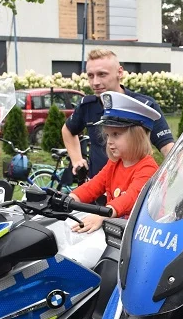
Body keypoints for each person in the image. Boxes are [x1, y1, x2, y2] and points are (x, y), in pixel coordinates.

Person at [62, 49, 174, 180]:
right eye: (90, 76)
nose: (95, 82)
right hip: (97, 190)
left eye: (102, 74)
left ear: (119, 72)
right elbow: (68, 130)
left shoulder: (144, 105)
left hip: (133, 190)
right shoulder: (87, 106)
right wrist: (77, 160)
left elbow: (169, 148)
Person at [67, 91, 160, 233]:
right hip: (119, 230)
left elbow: (131, 198)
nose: (109, 141)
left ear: (137, 136)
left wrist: (102, 214)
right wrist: (69, 199)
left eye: (116, 134)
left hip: (142, 236)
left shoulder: (148, 168)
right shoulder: (115, 163)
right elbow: (93, 186)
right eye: (108, 135)